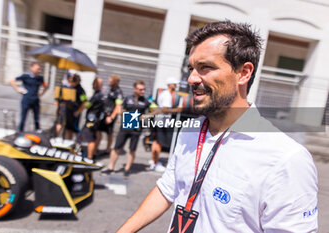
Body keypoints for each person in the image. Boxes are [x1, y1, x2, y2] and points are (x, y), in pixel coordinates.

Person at [117, 21, 318, 233]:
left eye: (206, 67)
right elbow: (168, 189)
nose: (192, 78)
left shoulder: (286, 159)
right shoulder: (191, 130)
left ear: (243, 73)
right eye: (191, 68)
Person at [102, 80, 151, 177]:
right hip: (125, 126)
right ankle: (110, 167)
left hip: (136, 129)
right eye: (140, 89)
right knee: (116, 147)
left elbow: (156, 111)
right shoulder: (128, 98)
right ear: (135, 89)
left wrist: (145, 116)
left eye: (144, 89)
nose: (143, 91)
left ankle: (127, 169)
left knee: (132, 149)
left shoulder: (146, 101)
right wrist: (121, 111)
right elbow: (120, 109)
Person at [149, 77, 182, 172]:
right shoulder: (167, 95)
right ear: (170, 85)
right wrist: (177, 110)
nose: (176, 86)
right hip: (162, 121)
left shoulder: (164, 94)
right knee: (159, 142)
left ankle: (153, 161)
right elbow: (165, 110)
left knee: (156, 142)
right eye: (174, 84)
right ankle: (155, 163)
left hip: (159, 120)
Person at [10, 62, 48, 132]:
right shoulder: (25, 76)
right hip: (26, 100)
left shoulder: (40, 78)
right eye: (38, 69)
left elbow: (46, 86)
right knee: (23, 118)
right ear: (32, 68)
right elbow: (12, 80)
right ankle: (20, 131)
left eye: (40, 69)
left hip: (35, 101)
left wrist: (41, 94)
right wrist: (18, 90)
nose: (39, 71)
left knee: (36, 119)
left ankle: (38, 131)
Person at [95, 74, 123, 156]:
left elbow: (118, 106)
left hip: (110, 116)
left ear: (115, 82)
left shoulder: (118, 92)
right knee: (98, 131)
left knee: (109, 133)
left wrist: (111, 117)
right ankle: (96, 148)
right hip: (103, 114)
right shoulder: (109, 89)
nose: (109, 82)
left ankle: (108, 149)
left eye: (110, 81)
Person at [77, 77, 105, 159]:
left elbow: (87, 105)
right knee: (81, 136)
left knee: (90, 139)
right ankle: (81, 151)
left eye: (94, 83)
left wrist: (83, 100)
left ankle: (89, 157)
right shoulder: (98, 94)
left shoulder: (97, 95)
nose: (92, 84)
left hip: (92, 120)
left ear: (98, 85)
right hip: (93, 119)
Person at [55, 73, 86, 139]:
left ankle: (80, 143)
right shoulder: (69, 88)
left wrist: (78, 111)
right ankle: (68, 142)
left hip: (75, 112)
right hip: (68, 111)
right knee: (68, 128)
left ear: (77, 81)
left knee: (75, 129)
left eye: (73, 81)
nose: (71, 82)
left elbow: (85, 102)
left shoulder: (81, 90)